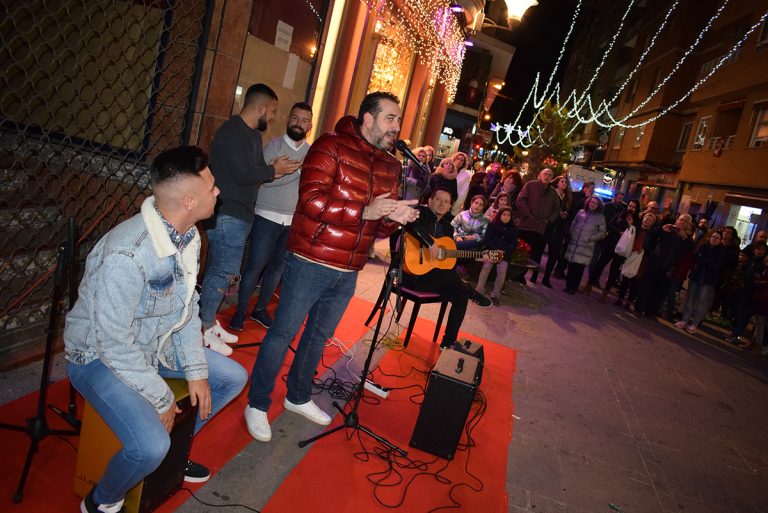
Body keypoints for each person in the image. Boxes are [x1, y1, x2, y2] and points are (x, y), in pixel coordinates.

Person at [65, 146, 248, 513]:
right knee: (150, 446)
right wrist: (161, 397)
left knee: (231, 378)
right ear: (188, 200)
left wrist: (195, 370)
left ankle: (173, 456)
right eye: (211, 186)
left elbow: (186, 310)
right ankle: (101, 501)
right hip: (96, 357)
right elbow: (114, 345)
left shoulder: (190, 235)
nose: (218, 192)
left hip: (155, 346)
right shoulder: (126, 254)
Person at [243, 92, 419, 443]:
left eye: (398, 120)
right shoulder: (330, 147)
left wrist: (394, 218)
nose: (396, 127)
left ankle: (297, 396)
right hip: (310, 259)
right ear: (367, 119)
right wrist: (364, 211)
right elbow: (310, 201)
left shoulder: (390, 165)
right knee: (283, 333)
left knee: (318, 336)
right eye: (390, 118)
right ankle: (257, 404)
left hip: (349, 267)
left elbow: (377, 225)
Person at [199, 84, 301, 355]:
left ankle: (208, 323)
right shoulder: (233, 132)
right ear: (261, 108)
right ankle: (203, 328)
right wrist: (271, 170)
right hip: (226, 213)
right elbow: (244, 174)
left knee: (224, 271)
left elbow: (254, 171)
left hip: (240, 213)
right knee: (224, 271)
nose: (275, 117)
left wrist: (273, 170)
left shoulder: (253, 136)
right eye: (274, 111)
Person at [230, 102, 313, 331]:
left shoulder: (312, 153)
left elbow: (309, 186)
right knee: (255, 266)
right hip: (266, 216)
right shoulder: (273, 146)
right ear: (288, 120)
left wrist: (286, 170)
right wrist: (295, 170)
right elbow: (265, 178)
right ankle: (239, 312)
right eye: (295, 118)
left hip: (291, 221)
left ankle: (260, 310)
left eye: (304, 120)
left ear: (310, 125)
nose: (299, 123)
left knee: (277, 269)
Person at [402, 188, 493, 347]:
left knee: (460, 295)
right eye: (438, 199)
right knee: (454, 281)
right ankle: (472, 292)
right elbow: (411, 224)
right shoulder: (420, 213)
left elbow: (449, 259)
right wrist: (430, 243)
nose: (441, 204)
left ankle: (447, 342)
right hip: (410, 274)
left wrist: (478, 257)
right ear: (430, 200)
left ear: (451, 206)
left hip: (434, 278)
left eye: (446, 201)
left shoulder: (448, 228)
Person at [634, 213, 694, 318]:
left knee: (659, 291)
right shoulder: (668, 228)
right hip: (656, 262)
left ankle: (650, 312)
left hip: (670, 268)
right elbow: (651, 233)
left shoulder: (686, 237)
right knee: (646, 287)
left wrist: (686, 238)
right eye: (681, 219)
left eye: (685, 221)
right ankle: (639, 309)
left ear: (688, 224)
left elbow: (690, 249)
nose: (682, 222)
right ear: (677, 220)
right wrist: (662, 229)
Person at [675, 230, 728, 334]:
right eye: (713, 236)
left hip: (708, 281)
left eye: (717, 238)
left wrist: (703, 261)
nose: (714, 239)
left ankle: (694, 324)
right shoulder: (703, 246)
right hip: (696, 277)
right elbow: (696, 258)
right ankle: (684, 320)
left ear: (720, 240)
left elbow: (715, 266)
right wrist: (703, 261)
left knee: (702, 303)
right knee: (690, 300)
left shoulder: (721, 252)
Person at [515, 168, 560, 283]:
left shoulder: (553, 193)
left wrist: (548, 220)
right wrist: (527, 214)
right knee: (520, 250)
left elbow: (556, 210)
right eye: (545, 174)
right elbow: (520, 200)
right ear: (539, 175)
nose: (547, 176)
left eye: (550, 175)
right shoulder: (530, 185)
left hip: (540, 229)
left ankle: (521, 275)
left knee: (531, 254)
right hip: (526, 225)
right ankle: (514, 273)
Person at [562, 195, 607, 294]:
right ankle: (568, 286)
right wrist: (572, 232)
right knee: (571, 266)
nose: (592, 204)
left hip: (586, 247)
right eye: (591, 202)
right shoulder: (581, 212)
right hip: (575, 243)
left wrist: (591, 238)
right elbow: (574, 223)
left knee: (579, 268)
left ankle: (573, 288)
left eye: (595, 203)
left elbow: (602, 233)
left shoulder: (600, 217)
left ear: (598, 205)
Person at [597, 199, 640, 302]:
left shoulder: (637, 221)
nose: (631, 208)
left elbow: (636, 235)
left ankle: (605, 293)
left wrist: (630, 225)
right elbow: (610, 225)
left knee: (614, 272)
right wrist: (619, 232)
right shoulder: (620, 214)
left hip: (622, 249)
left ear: (637, 209)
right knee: (600, 264)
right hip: (611, 244)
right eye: (630, 206)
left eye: (634, 207)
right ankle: (589, 284)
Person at [476, 207, 518, 305]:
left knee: (502, 272)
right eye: (504, 214)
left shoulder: (514, 229)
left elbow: (513, 244)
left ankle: (495, 295)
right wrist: (495, 250)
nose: (506, 217)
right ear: (500, 215)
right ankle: (479, 290)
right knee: (486, 268)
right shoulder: (492, 225)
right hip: (492, 250)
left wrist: (503, 251)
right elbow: (487, 239)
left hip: (504, 254)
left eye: (508, 215)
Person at [553, 180, 594, 278]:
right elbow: (575, 209)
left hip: (578, 227)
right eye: (591, 189)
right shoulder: (577, 196)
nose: (592, 191)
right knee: (566, 248)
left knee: (569, 249)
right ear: (586, 188)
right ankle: (559, 270)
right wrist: (586, 198)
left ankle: (561, 269)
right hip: (571, 225)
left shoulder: (587, 198)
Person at [540, 175, 572, 288]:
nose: (564, 184)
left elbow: (569, 212)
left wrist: (565, 214)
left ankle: (546, 278)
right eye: (562, 181)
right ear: (557, 183)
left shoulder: (567, 198)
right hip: (548, 226)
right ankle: (534, 275)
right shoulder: (552, 193)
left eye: (566, 182)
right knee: (538, 251)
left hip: (559, 229)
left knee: (554, 255)